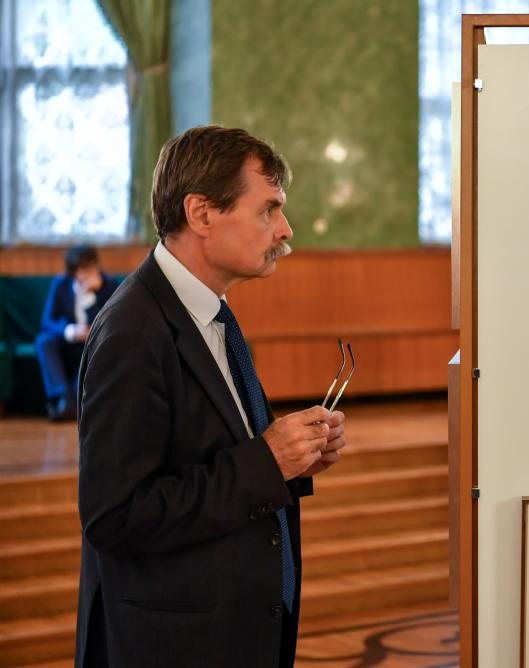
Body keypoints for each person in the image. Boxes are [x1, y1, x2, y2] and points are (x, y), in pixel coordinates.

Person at [74, 126, 347, 668]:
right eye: (268, 210)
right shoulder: (133, 332)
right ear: (201, 213)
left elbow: (214, 453)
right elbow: (116, 516)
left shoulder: (210, 312)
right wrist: (268, 460)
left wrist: (294, 460)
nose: (285, 229)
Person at [35, 245, 117, 420]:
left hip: (94, 342)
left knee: (101, 345)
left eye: (91, 267)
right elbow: (46, 321)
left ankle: (71, 401)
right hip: (68, 341)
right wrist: (70, 331)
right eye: (82, 269)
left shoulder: (109, 285)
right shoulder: (61, 283)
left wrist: (92, 298)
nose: (88, 273)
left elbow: (111, 322)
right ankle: (64, 398)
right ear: (73, 272)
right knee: (44, 341)